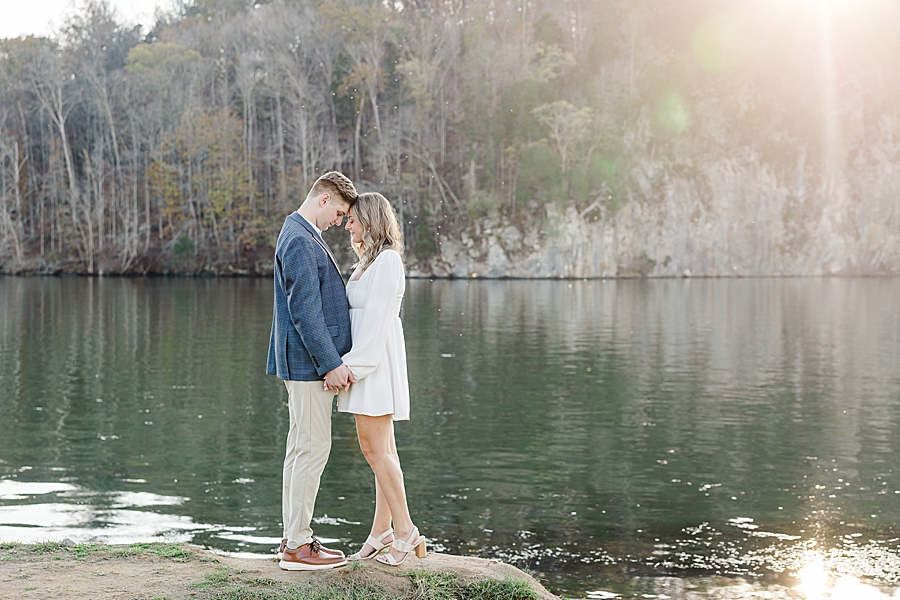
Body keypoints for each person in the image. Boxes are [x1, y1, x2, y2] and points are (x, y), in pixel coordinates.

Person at [325, 192, 426, 566]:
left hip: (375, 365)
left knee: (374, 450)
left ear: (369, 220)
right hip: (367, 363)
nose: (347, 225)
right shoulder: (368, 261)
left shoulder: (387, 262)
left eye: (352, 219)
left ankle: (405, 531)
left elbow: (380, 321)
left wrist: (352, 367)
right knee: (385, 451)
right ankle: (381, 531)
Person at [266, 171, 358, 571]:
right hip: (308, 364)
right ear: (323, 199)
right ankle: (298, 546)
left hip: (303, 361)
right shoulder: (301, 240)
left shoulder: (302, 233)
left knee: (301, 449)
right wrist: (331, 364)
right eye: (338, 212)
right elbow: (305, 310)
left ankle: (293, 536)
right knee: (312, 449)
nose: (339, 221)